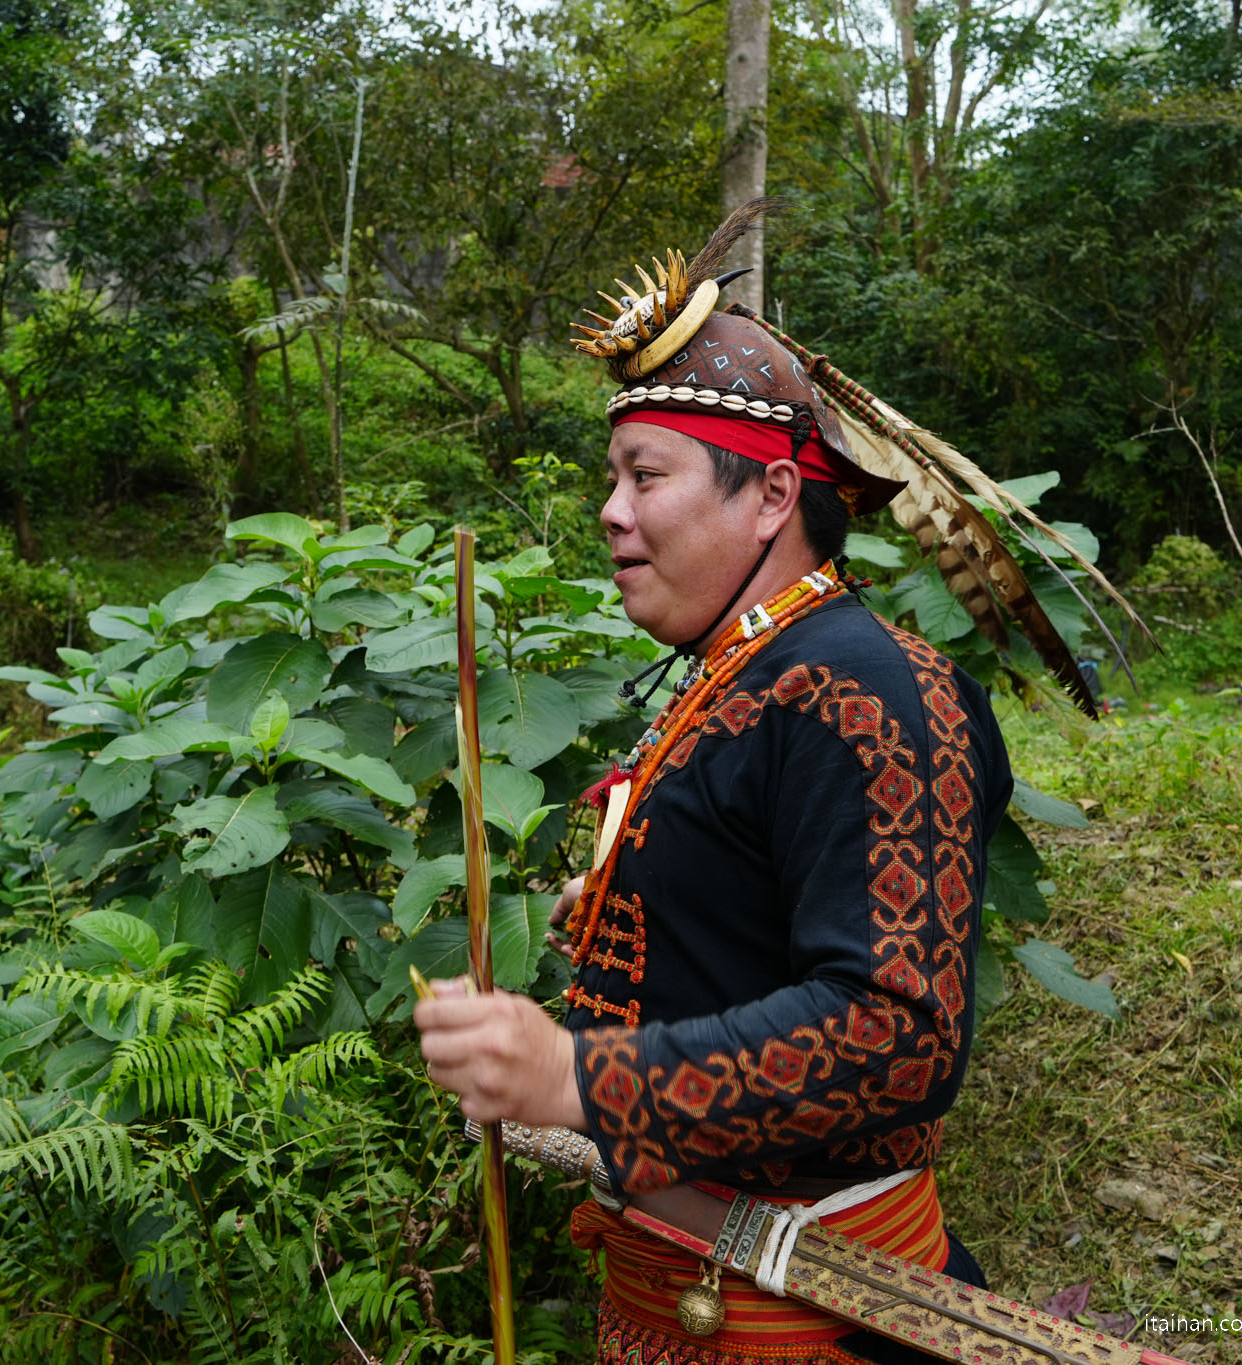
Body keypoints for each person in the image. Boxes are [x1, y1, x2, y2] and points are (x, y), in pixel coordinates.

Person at [414, 211, 1015, 1365]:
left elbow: (896, 1033)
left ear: (772, 496)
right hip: (671, 1301)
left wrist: (576, 1077)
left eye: (646, 476)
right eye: (613, 477)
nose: (611, 510)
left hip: (809, 1326)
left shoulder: (869, 691)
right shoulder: (739, 677)